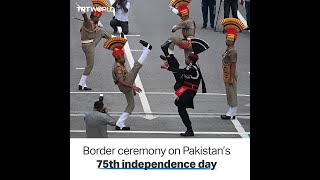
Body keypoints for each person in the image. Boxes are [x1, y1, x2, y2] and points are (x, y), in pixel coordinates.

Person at [104, 37, 152, 130]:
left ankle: (120, 123)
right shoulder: (118, 67)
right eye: (122, 57)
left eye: (123, 56)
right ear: (118, 59)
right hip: (124, 85)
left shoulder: (119, 63)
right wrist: (133, 87)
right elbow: (121, 82)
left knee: (131, 105)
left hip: (125, 85)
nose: (124, 58)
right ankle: (146, 50)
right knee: (136, 68)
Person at [160, 52, 202, 137]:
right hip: (186, 90)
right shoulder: (190, 67)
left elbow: (180, 71)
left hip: (190, 92)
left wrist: (167, 68)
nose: (185, 59)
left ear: (190, 60)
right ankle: (189, 129)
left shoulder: (192, 68)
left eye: (187, 58)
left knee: (181, 108)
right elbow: (179, 73)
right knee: (179, 105)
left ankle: (189, 130)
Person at [77, 8, 113, 90]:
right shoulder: (88, 23)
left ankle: (113, 39)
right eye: (98, 18)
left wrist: (97, 24)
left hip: (90, 43)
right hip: (88, 46)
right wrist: (83, 12)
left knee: (102, 32)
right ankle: (81, 84)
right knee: (90, 65)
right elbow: (85, 18)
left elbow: (95, 28)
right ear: (94, 16)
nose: (99, 19)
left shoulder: (93, 23)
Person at [220, 18, 245, 120]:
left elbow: (233, 64)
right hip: (227, 72)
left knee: (232, 93)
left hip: (230, 73)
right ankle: (230, 111)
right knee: (229, 93)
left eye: (227, 39)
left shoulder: (232, 51)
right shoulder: (229, 49)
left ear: (231, 40)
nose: (226, 40)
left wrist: (231, 77)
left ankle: (232, 113)